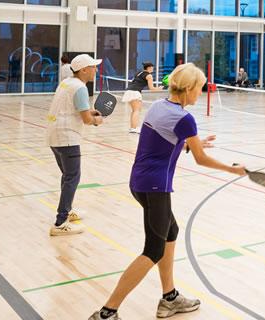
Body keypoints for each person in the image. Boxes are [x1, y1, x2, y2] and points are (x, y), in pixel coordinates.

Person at [88, 63, 247, 320]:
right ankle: (107, 312)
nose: (201, 93)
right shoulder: (185, 119)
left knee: (170, 232)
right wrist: (232, 169)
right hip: (155, 185)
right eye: (199, 88)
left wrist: (190, 143)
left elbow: (161, 141)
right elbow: (201, 159)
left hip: (139, 182)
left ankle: (169, 297)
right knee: (153, 250)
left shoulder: (160, 105)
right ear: (187, 89)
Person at [45, 54, 105, 236]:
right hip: (67, 138)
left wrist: (90, 111)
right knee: (72, 177)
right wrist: (97, 120)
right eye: (93, 67)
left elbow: (75, 108)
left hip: (53, 135)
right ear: (84, 70)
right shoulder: (80, 88)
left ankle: (67, 209)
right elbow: (87, 120)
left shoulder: (67, 83)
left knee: (67, 176)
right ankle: (60, 222)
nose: (96, 69)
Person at [123, 62, 162, 134]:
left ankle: (133, 127)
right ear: (149, 68)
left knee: (135, 110)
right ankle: (134, 128)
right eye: (152, 67)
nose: (153, 69)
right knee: (136, 111)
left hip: (129, 91)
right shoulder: (149, 75)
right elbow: (151, 88)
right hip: (135, 92)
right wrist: (159, 88)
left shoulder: (139, 73)